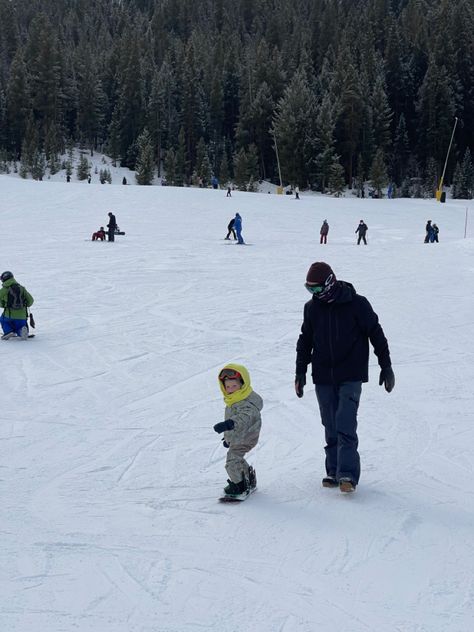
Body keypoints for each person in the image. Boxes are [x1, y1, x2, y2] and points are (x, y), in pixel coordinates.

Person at [295, 262, 394, 493]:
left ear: (329, 283)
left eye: (317, 289)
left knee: (345, 422)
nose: (314, 295)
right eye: (309, 290)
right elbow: (305, 341)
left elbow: (377, 334)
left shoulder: (357, 304)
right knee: (329, 423)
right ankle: (333, 469)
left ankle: (347, 473)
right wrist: (300, 371)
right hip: (323, 375)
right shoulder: (312, 308)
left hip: (350, 373)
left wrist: (386, 366)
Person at [213, 364, 263, 498]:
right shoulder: (234, 399)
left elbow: (243, 418)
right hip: (240, 437)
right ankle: (247, 479)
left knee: (231, 462)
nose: (230, 390)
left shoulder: (247, 402)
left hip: (247, 437)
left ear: (243, 384)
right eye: (227, 387)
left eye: (234, 386)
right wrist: (228, 439)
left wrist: (228, 424)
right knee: (237, 458)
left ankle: (239, 486)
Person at [0, 271, 34, 340]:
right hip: (22, 316)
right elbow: (30, 301)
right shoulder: (22, 288)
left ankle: (8, 332)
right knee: (20, 326)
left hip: (8, 315)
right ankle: (21, 332)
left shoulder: (3, 290)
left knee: (3, 319)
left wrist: (3, 304)